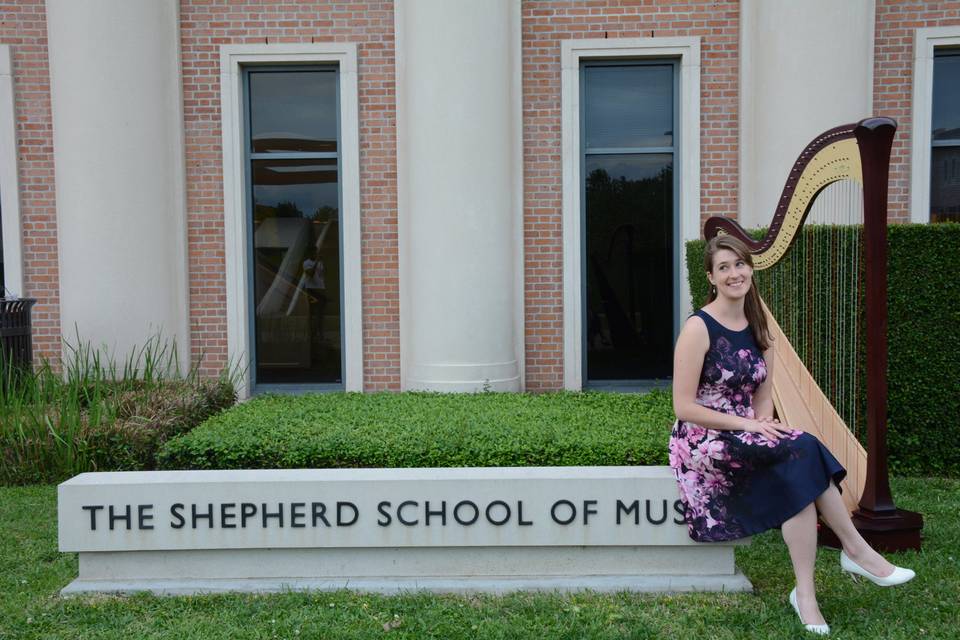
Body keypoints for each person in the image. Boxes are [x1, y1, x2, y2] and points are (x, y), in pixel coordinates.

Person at [669, 234, 915, 636]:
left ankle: (807, 594)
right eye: (724, 267)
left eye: (740, 264)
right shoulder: (699, 327)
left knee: (796, 469)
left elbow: (763, 396)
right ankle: (854, 550)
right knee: (803, 449)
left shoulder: (760, 325)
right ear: (711, 278)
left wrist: (763, 426)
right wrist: (752, 426)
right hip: (701, 439)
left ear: (751, 268)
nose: (735, 273)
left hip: (746, 431)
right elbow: (683, 407)